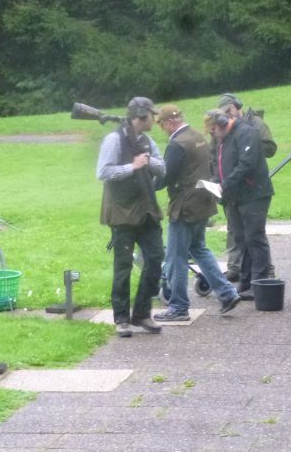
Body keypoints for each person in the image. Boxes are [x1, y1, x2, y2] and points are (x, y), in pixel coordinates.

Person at [153, 105, 241, 321]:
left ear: (169, 122)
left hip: (185, 206)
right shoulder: (197, 136)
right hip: (203, 200)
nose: (161, 128)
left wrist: (146, 185)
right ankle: (228, 293)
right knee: (199, 249)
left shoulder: (176, 144)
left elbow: (165, 177)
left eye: (162, 124)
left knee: (176, 257)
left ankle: (179, 307)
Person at [96, 97, 166, 338]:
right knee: (123, 267)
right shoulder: (114, 139)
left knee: (155, 259)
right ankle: (122, 318)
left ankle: (142, 313)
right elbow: (103, 172)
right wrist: (132, 166)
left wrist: (149, 161)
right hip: (122, 212)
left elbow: (162, 168)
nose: (154, 120)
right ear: (141, 116)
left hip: (147, 210)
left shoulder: (146, 141)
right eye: (151, 115)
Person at [211, 105, 274, 300]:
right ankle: (246, 281)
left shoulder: (246, 132)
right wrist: (216, 183)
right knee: (241, 238)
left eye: (214, 130)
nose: (213, 135)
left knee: (255, 237)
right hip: (235, 196)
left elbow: (246, 164)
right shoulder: (225, 137)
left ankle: (260, 282)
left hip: (254, 194)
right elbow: (220, 163)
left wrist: (225, 185)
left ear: (223, 123)